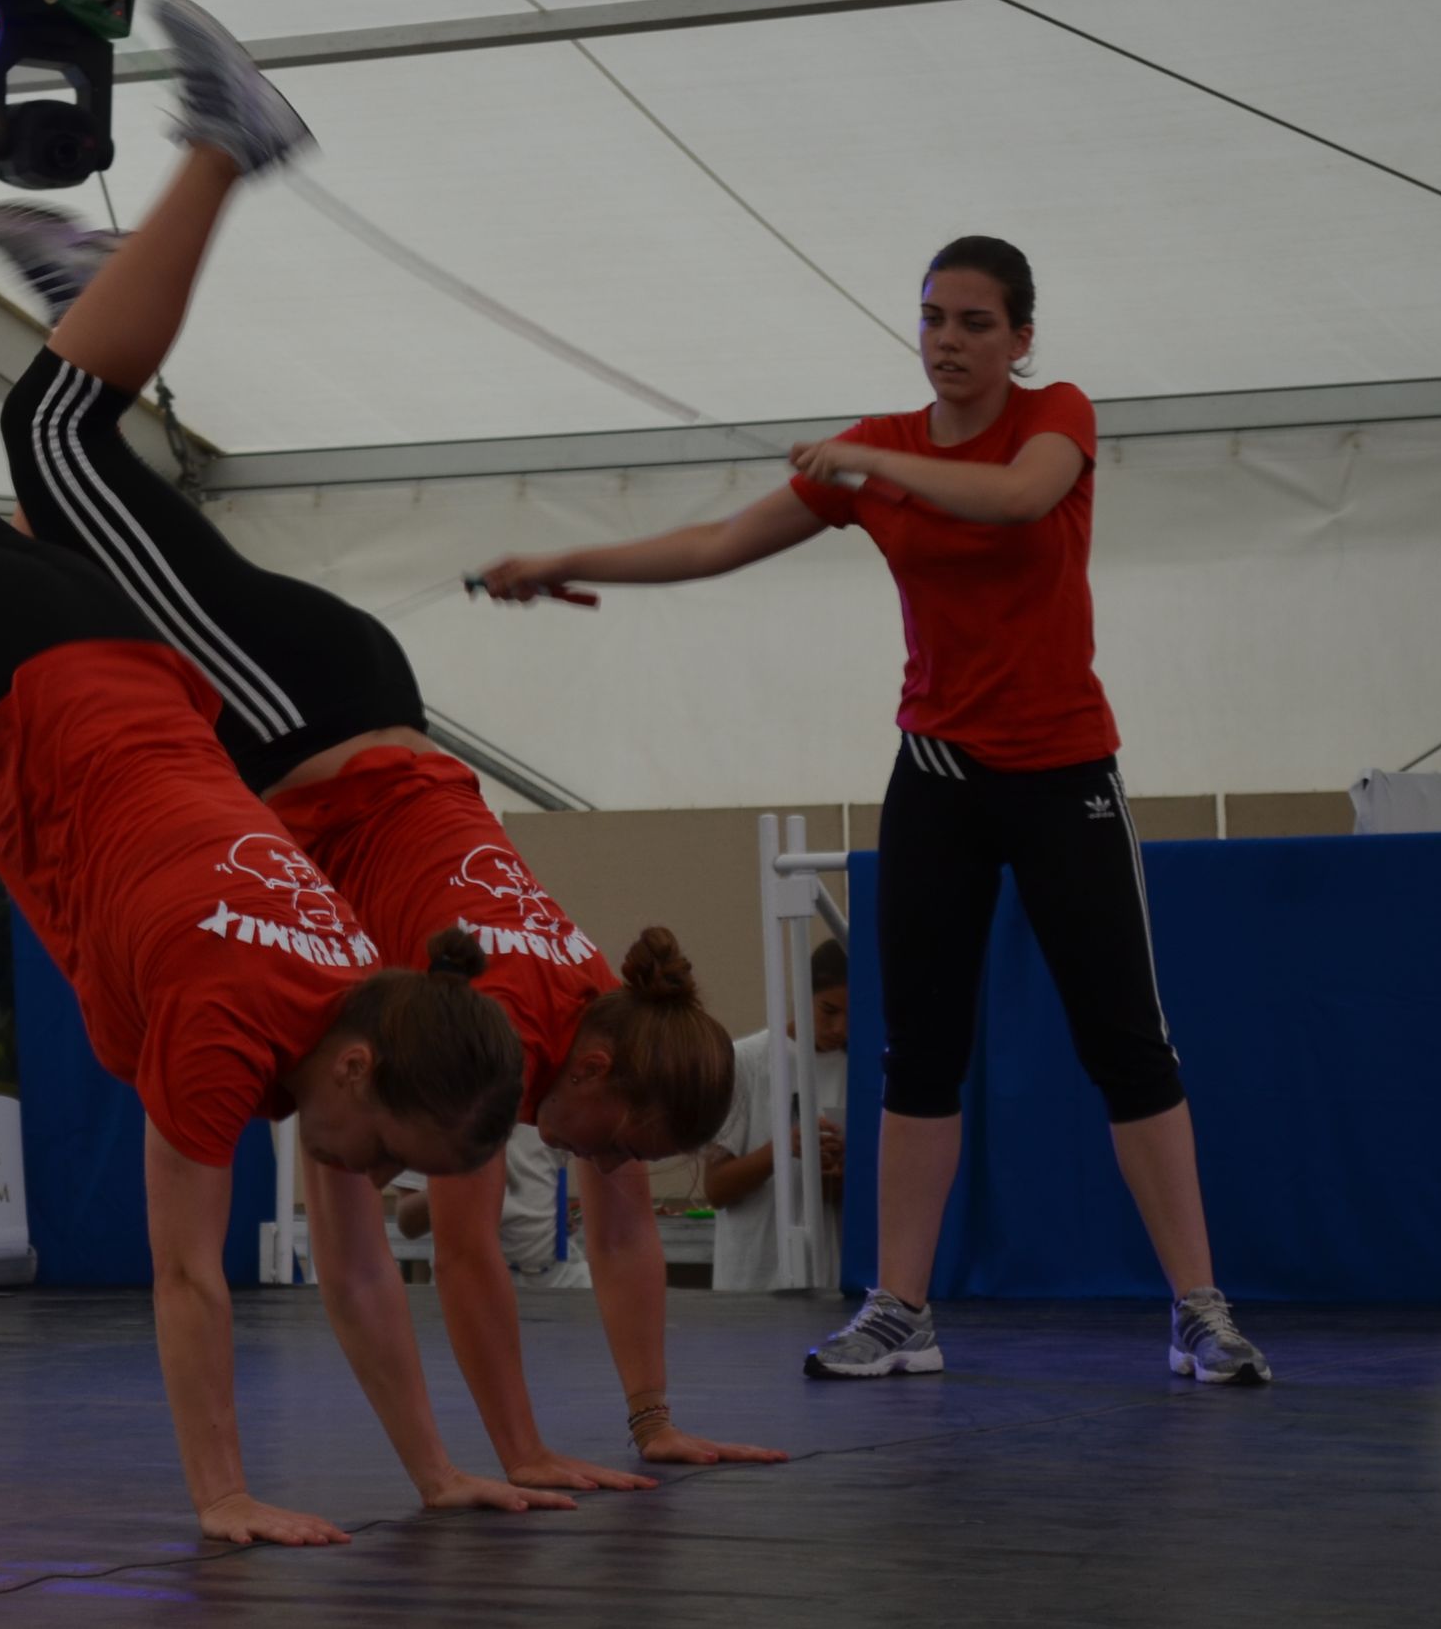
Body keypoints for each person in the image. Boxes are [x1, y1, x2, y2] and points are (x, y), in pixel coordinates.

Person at [0, 0, 562, 1546]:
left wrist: (436, 1472)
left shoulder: (358, 988)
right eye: (392, 1163)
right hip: (25, 683)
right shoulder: (235, 1036)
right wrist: (224, 1493)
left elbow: (354, 1269)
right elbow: (190, 1273)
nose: (377, 1189)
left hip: (107, 656)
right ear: (361, 1081)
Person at [0, 0, 775, 1486]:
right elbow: (459, 1253)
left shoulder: (595, 1008)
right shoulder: (505, 1033)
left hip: (335, 709)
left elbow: (604, 1225)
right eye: (616, 1137)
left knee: (81, 528)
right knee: (51, 440)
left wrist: (651, 1427)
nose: (609, 1165)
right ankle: (229, 145)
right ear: (599, 1067)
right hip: (301, 718)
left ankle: (98, 286)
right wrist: (519, 1457)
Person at [477, 235, 1272, 1385]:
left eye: (974, 323)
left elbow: (1016, 498)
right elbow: (718, 542)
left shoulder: (1052, 417)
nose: (947, 341)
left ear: (1020, 337)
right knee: (917, 1055)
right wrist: (566, 558)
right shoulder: (880, 451)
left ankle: (1199, 1310)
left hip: (1065, 778)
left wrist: (869, 463)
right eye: (932, 318)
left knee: (1126, 1044)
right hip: (938, 780)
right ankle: (901, 1311)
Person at [705, 938, 849, 1292]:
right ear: (803, 996)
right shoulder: (746, 1061)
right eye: (828, 1011)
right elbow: (716, 1188)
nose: (839, 1028)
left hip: (828, 1282)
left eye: (853, 1014)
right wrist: (784, 1148)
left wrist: (838, 1175)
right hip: (751, 1283)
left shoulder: (861, 1070)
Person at [395, 1124, 587, 1290]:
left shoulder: (544, 1108)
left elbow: (547, 1177)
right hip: (472, 1284)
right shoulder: (434, 1119)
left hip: (559, 1278)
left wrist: (555, 1211)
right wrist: (454, 1186)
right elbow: (408, 1224)